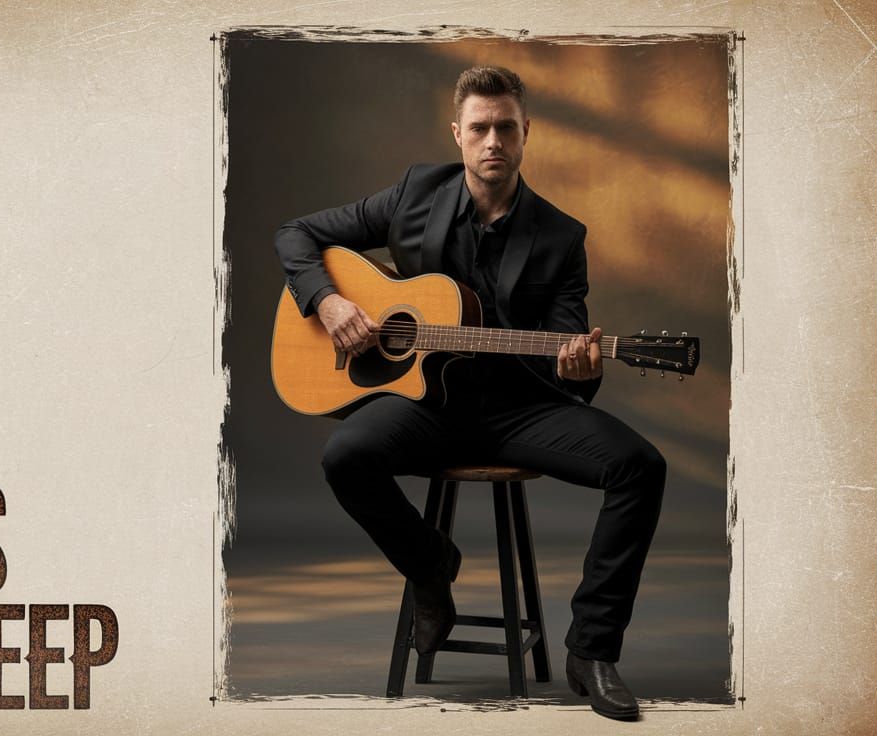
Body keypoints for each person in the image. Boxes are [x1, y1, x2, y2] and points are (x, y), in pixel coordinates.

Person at [273, 66, 666, 722]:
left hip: (520, 410)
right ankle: (433, 567)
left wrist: (578, 368)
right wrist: (331, 300)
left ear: (526, 134)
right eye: (479, 127)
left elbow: (569, 345)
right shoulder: (413, 195)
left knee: (640, 466)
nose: (493, 141)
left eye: (505, 128)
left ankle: (591, 651)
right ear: (457, 133)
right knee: (345, 457)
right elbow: (298, 236)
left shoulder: (562, 237)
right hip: (425, 405)